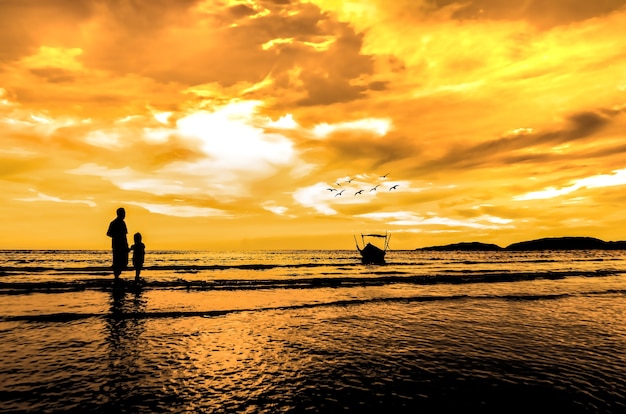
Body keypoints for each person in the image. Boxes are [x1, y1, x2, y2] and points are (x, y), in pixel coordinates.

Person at [106, 207, 128, 279]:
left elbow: (124, 235)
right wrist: (117, 236)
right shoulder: (115, 223)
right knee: (118, 262)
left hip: (118, 244)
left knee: (120, 262)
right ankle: (116, 277)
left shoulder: (119, 223)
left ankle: (117, 277)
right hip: (118, 244)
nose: (124, 215)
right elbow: (109, 233)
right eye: (123, 213)